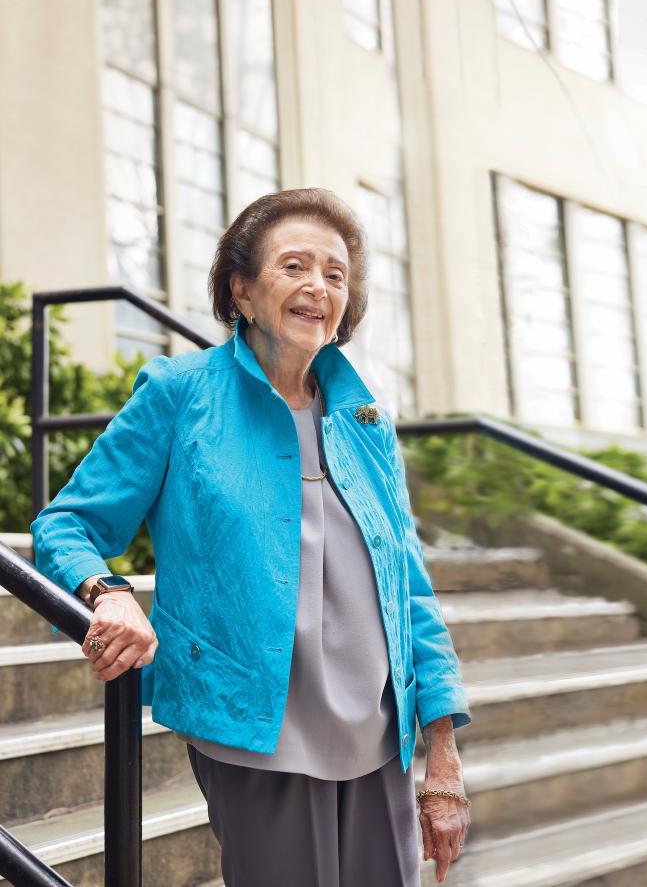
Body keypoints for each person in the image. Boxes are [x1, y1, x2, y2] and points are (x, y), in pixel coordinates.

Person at [30, 187, 472, 886]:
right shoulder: (180, 393)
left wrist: (441, 757)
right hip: (253, 732)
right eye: (294, 265)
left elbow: (410, 587)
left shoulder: (365, 420)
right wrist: (106, 593)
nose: (318, 286)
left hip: (382, 738)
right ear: (241, 288)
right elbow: (66, 523)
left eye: (335, 273)